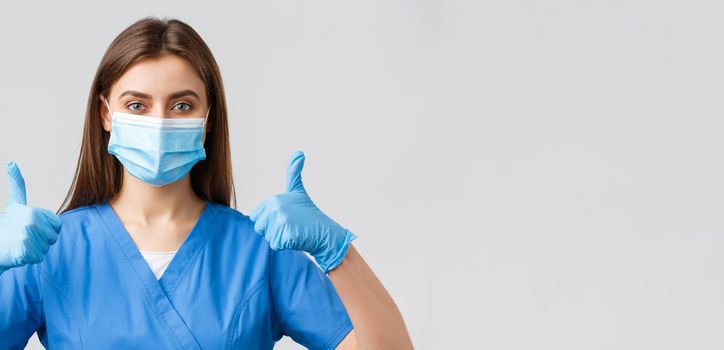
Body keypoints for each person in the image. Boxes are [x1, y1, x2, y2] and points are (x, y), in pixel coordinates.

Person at [0, 17, 414, 349]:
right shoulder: (50, 251)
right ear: (106, 115)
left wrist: (337, 251)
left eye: (182, 105)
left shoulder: (259, 252)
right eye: (137, 105)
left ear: (208, 116)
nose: (159, 121)